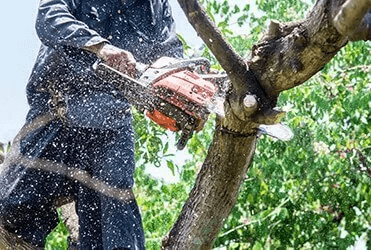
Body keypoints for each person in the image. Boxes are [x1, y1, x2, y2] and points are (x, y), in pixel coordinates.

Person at [0, 0, 183, 249]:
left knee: (114, 233)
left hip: (110, 125)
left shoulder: (155, 6)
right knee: (12, 208)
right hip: (56, 113)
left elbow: (170, 55)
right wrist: (101, 47)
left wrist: (182, 91)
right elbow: (48, 16)